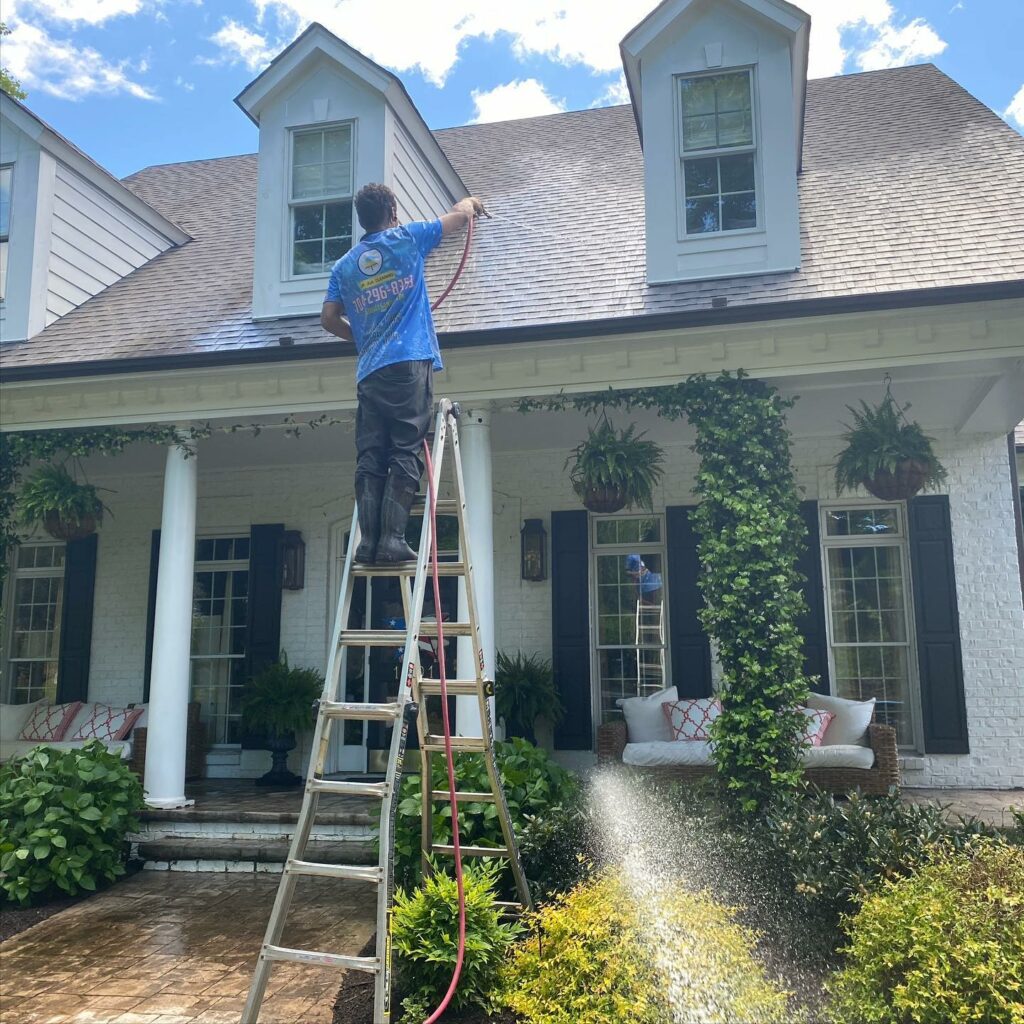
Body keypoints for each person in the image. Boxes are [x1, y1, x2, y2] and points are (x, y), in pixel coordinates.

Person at [321, 184, 485, 564]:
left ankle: (368, 542)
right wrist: (473, 203)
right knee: (406, 448)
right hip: (409, 364)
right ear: (392, 211)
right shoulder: (407, 239)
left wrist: (362, 337)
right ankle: (392, 539)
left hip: (371, 372)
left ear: (361, 218)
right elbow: (459, 218)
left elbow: (328, 318)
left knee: (370, 455)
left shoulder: (344, 266)